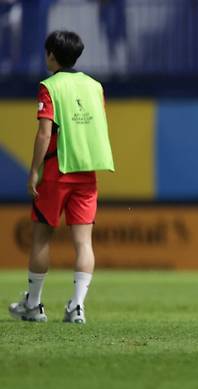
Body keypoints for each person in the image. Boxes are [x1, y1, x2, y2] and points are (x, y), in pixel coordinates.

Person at [8, 30, 114, 324]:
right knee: (83, 242)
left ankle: (34, 304)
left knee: (42, 237)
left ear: (52, 54)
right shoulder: (95, 86)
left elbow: (44, 133)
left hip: (57, 170)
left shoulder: (49, 87)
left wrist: (33, 170)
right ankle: (77, 307)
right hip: (87, 170)